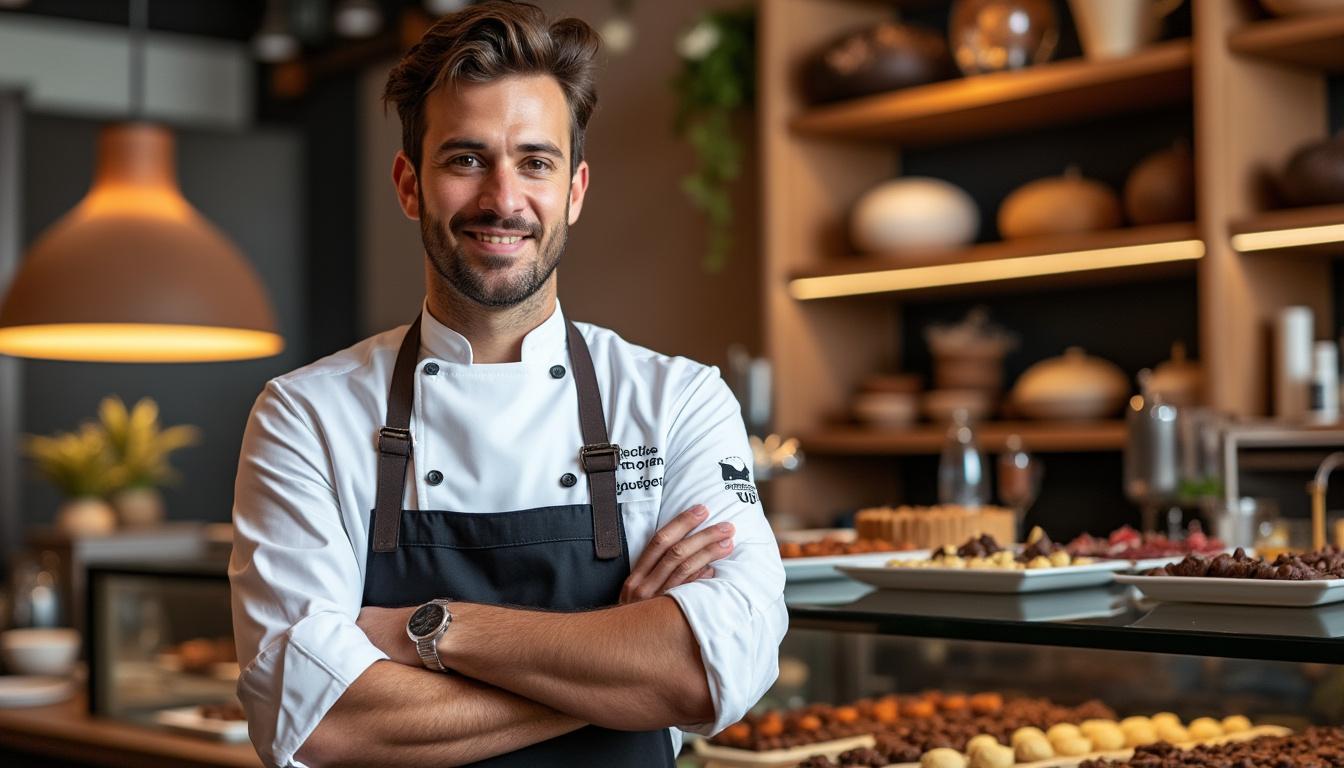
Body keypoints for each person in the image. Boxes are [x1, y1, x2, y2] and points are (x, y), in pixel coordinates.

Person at [228, 2, 787, 766]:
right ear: (408, 184)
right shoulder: (305, 416)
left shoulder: (678, 401)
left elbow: (712, 669)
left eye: (536, 161)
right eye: (464, 158)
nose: (503, 198)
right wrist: (618, 669)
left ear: (576, 190)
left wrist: (429, 627)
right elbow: (321, 720)